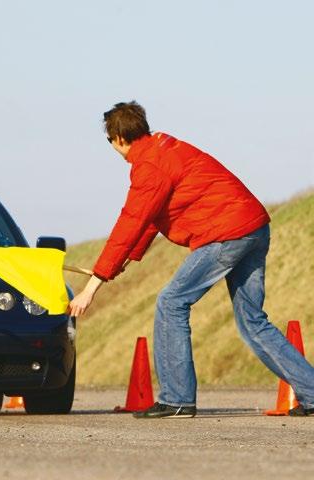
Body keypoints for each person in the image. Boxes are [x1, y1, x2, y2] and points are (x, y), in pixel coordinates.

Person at [68, 101, 314, 418]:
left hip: (226, 234)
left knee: (171, 302)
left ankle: (178, 397)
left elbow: (132, 220)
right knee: (252, 321)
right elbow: (151, 217)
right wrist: (125, 260)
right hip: (254, 227)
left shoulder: (149, 165)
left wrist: (92, 286)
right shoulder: (165, 147)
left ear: (117, 138)